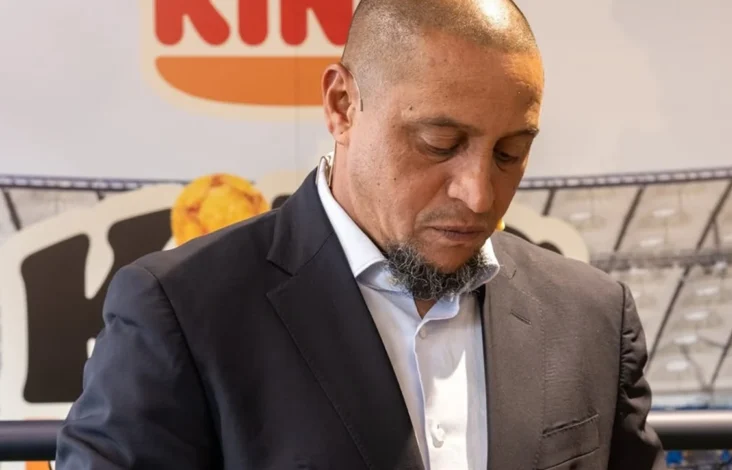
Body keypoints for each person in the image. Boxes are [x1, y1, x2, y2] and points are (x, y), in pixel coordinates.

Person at [56, 0, 667, 468]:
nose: (479, 194)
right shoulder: (180, 313)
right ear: (342, 105)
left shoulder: (593, 316)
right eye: (440, 144)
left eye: (510, 153)